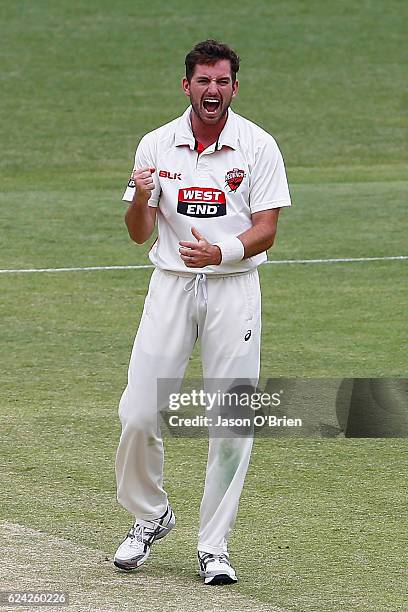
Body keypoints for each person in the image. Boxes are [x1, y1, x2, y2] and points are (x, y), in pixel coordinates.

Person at [114, 39, 292, 585]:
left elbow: (267, 229)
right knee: (139, 412)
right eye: (202, 81)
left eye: (221, 81)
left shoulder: (258, 146)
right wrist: (143, 197)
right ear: (186, 85)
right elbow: (137, 232)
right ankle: (150, 516)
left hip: (234, 287)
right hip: (170, 283)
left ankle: (213, 546)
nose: (211, 90)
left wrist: (222, 251)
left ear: (234, 87)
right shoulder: (157, 144)